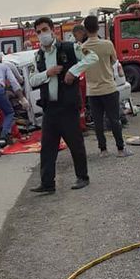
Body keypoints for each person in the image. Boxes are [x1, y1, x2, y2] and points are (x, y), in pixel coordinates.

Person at [29, 17, 99, 193]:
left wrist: (73, 71)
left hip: (67, 106)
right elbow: (32, 79)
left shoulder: (69, 48)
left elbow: (92, 58)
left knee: (75, 143)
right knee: (47, 147)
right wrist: (48, 73)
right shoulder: (38, 56)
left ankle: (82, 177)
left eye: (44, 29)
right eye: (38, 32)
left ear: (52, 30)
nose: (42, 34)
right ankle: (47, 183)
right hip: (50, 107)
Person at [82, 15, 133, 158]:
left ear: (85, 30)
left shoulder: (82, 48)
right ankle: (120, 149)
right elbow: (114, 61)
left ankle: (103, 150)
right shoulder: (107, 44)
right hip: (109, 88)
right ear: (98, 27)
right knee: (114, 119)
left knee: (98, 122)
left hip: (92, 91)